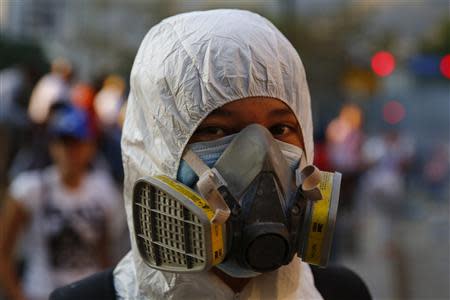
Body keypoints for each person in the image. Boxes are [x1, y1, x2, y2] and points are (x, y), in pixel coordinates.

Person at [50, 9, 371, 300]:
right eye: (217, 131)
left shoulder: (342, 294)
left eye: (279, 129)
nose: (264, 156)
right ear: (157, 151)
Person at [0, 104, 125, 300]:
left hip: (87, 292)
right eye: (62, 142)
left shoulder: (104, 191)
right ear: (52, 146)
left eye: (76, 143)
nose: (69, 151)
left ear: (90, 146)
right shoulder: (29, 190)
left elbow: (106, 251)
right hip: (40, 292)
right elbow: (3, 252)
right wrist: (17, 296)